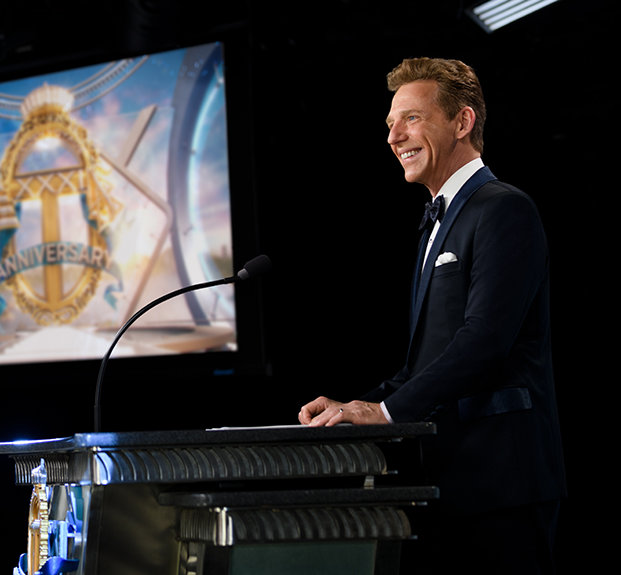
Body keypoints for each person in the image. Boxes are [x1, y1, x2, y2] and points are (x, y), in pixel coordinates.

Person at [298, 57, 566, 573]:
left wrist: (386, 413)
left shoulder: (503, 208)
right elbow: (426, 362)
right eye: (390, 123)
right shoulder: (436, 223)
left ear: (462, 122)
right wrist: (355, 406)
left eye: (412, 118)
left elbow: (484, 341)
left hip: (503, 485)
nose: (394, 136)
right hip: (449, 483)